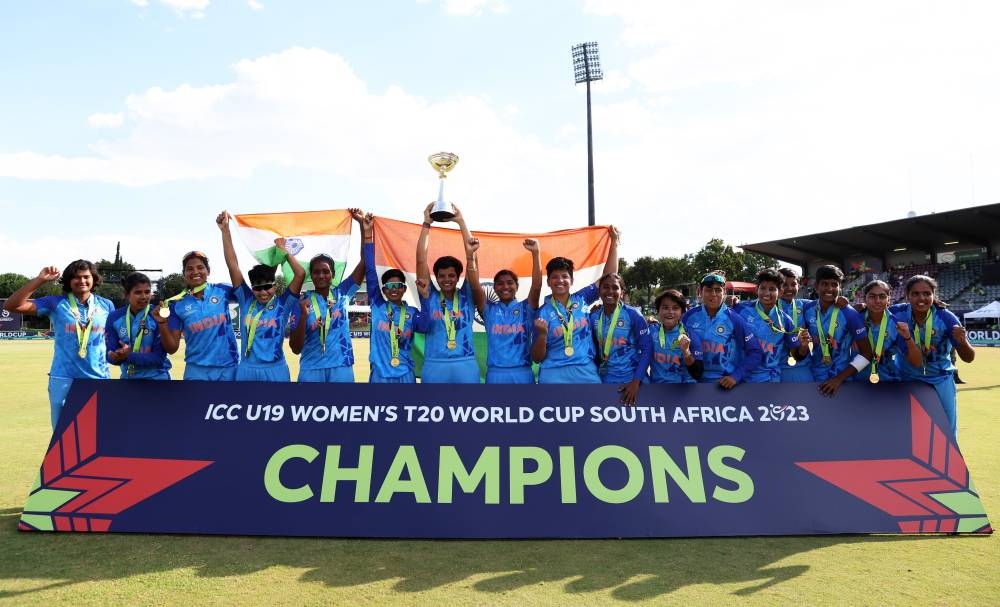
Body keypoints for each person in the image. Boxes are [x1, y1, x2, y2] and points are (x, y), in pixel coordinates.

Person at [4, 261, 114, 428]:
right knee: (62, 435)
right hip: (63, 378)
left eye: (86, 277)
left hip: (98, 377)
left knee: (97, 433)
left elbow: (113, 338)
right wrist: (40, 279)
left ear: (94, 279)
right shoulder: (54, 303)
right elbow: (12, 305)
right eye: (76, 277)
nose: (82, 281)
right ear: (69, 281)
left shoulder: (106, 305)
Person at [218, 210, 305, 382]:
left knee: (279, 409)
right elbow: (233, 266)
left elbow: (300, 274)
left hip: (276, 369)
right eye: (258, 289)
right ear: (252, 289)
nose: (263, 293)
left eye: (268, 287)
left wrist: (284, 251)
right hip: (247, 369)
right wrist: (225, 231)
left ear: (274, 285)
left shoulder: (284, 303)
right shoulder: (246, 299)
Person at [531, 226, 620, 384]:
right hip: (553, 373)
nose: (560, 280)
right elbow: (537, 359)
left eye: (565, 276)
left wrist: (614, 242)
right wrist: (542, 335)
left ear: (571, 281)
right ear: (548, 282)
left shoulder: (582, 298)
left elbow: (608, 277)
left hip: (585, 369)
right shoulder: (541, 313)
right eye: (555, 277)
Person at [289, 208, 369, 382]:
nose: (321, 275)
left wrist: (363, 226)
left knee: (344, 410)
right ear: (311, 274)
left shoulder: (343, 293)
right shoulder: (301, 303)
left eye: (325, 271)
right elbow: (295, 348)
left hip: (342, 367)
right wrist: (303, 316)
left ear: (333, 274)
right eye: (316, 272)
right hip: (311, 369)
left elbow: (364, 261)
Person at [889, 275, 975, 436]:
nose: (921, 298)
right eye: (915, 294)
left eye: (927, 293)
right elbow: (874, 311)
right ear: (907, 296)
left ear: (933, 295)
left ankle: (949, 461)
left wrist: (962, 342)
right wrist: (857, 308)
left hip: (940, 378)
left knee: (946, 430)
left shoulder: (945, 317)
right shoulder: (897, 313)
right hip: (908, 378)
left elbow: (969, 358)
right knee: (909, 431)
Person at [414, 203, 481, 383]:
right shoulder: (429, 294)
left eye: (451, 275)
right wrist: (426, 224)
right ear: (435, 276)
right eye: (441, 275)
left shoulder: (467, 295)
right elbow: (421, 260)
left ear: (459, 276)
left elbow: (472, 258)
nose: (447, 279)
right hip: (435, 364)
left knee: (468, 411)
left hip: (465, 364)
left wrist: (461, 222)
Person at [467, 233, 543, 384]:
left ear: (516, 286)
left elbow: (537, 286)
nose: (505, 287)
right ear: (494, 288)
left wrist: (536, 253)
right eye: (500, 283)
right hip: (496, 374)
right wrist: (471, 256)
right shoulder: (488, 309)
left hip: (523, 373)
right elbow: (474, 285)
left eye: (510, 282)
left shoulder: (526, 308)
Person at [364, 213, 429, 383]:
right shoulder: (377, 304)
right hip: (379, 376)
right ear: (384, 290)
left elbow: (426, 326)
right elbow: (370, 271)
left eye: (398, 285)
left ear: (404, 288)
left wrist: (424, 298)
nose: (394, 289)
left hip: (405, 374)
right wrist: (368, 234)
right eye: (390, 286)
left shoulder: (412, 312)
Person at [157, 249, 239, 381]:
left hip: (228, 368)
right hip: (196, 372)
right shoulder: (177, 305)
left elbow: (248, 293)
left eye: (200, 267)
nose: (195, 272)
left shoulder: (222, 290)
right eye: (189, 269)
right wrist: (162, 323)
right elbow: (171, 348)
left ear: (208, 270)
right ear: (184, 274)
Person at [681, 272, 763, 390]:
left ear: (724, 293)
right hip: (692, 383)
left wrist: (736, 376)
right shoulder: (689, 316)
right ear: (700, 292)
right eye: (708, 290)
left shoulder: (734, 319)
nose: (713, 294)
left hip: (722, 384)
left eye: (718, 290)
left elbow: (755, 352)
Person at [800, 265, 873, 395]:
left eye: (834, 284)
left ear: (840, 287)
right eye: (825, 284)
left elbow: (867, 354)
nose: (830, 289)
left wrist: (839, 379)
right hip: (814, 375)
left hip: (843, 380)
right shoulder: (807, 309)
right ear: (816, 286)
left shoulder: (849, 314)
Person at [734, 268, 808, 383]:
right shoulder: (740, 309)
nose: (767, 293)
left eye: (772, 289)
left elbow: (797, 356)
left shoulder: (786, 321)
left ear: (780, 293)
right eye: (763, 288)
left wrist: (803, 346)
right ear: (756, 290)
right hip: (741, 378)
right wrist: (728, 299)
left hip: (771, 380)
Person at [588, 273, 652, 403]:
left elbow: (647, 349)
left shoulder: (633, 314)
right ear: (599, 291)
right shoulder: (594, 317)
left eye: (615, 287)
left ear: (621, 292)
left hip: (632, 379)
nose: (610, 291)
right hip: (605, 378)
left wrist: (636, 382)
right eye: (605, 287)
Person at [105, 272, 171, 380]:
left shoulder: (157, 316)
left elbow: (159, 358)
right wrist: (116, 355)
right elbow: (110, 353)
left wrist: (128, 356)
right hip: (127, 380)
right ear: (126, 294)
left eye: (147, 292)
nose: (144, 297)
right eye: (138, 292)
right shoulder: (114, 317)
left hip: (157, 380)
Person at [854, 279, 921, 384]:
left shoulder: (896, 325)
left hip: (887, 381)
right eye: (872, 296)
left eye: (882, 296)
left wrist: (908, 338)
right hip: (856, 381)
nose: (877, 300)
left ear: (889, 299)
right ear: (864, 299)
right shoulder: (854, 320)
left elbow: (917, 362)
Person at [648, 289, 704, 384]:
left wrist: (686, 353)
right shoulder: (650, 331)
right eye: (665, 307)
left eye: (675, 308)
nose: (670, 312)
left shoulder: (690, 335)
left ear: (682, 312)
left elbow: (698, 373)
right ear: (658, 310)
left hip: (683, 391)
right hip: (657, 390)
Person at [777, 268, 814, 382]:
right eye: (784, 284)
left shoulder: (805, 305)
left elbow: (827, 301)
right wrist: (733, 300)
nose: (789, 288)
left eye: (793, 284)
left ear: (799, 285)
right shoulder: (769, 307)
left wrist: (846, 304)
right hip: (778, 370)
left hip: (803, 367)